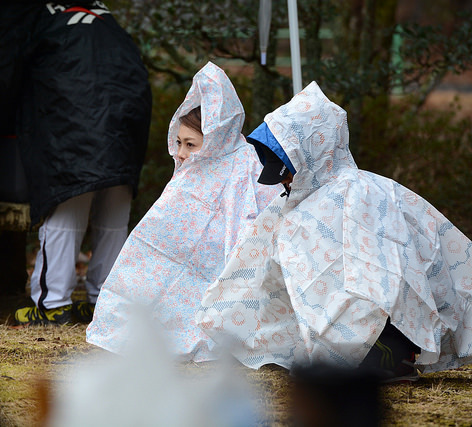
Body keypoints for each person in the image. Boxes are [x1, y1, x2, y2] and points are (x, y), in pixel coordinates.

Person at [197, 81, 472, 381]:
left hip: (382, 322)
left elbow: (383, 271)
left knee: (370, 296)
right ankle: (363, 354)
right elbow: (259, 264)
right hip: (340, 330)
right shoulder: (299, 201)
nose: (283, 182)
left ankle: (388, 358)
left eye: (286, 172)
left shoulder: (357, 193)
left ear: (307, 155)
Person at [0, 0, 152, 325]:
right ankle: (105, 304)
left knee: (67, 208)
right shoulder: (100, 12)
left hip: (71, 120)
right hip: (127, 120)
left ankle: (52, 305)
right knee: (113, 217)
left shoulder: (25, 10)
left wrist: (1, 118)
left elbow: (1, 66)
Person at [86, 62, 280, 361]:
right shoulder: (190, 172)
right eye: (178, 142)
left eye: (191, 144)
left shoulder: (244, 165)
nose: (179, 152)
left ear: (214, 140)